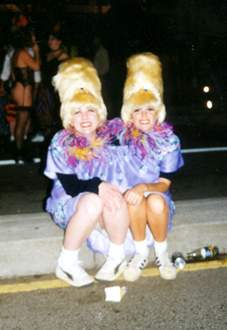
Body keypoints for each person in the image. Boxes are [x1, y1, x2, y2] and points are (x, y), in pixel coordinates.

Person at [44, 58, 129, 287]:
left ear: (99, 112)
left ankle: (116, 258)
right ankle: (67, 263)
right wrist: (99, 185)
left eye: (90, 110)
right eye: (77, 111)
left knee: (114, 195)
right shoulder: (61, 141)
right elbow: (71, 186)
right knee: (93, 200)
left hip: (106, 203)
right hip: (70, 203)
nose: (84, 117)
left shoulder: (112, 135)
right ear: (68, 115)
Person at [118, 52, 184, 281]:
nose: (144, 116)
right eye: (137, 109)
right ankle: (140, 253)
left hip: (157, 196)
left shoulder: (169, 140)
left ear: (158, 111)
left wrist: (143, 187)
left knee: (154, 200)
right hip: (128, 200)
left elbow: (164, 183)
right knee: (134, 198)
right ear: (129, 113)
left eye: (149, 109)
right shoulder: (119, 135)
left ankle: (162, 253)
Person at [10, 28, 40, 161]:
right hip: (23, 90)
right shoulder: (22, 53)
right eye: (32, 37)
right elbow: (36, 67)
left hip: (18, 87)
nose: (34, 39)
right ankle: (18, 150)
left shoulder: (16, 53)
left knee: (21, 121)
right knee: (22, 121)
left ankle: (19, 148)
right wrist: (37, 52)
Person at [36, 32, 69, 142]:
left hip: (55, 91)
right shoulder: (47, 54)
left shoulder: (63, 55)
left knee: (54, 117)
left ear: (59, 41)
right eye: (49, 39)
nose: (50, 42)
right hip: (45, 89)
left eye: (52, 39)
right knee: (44, 116)